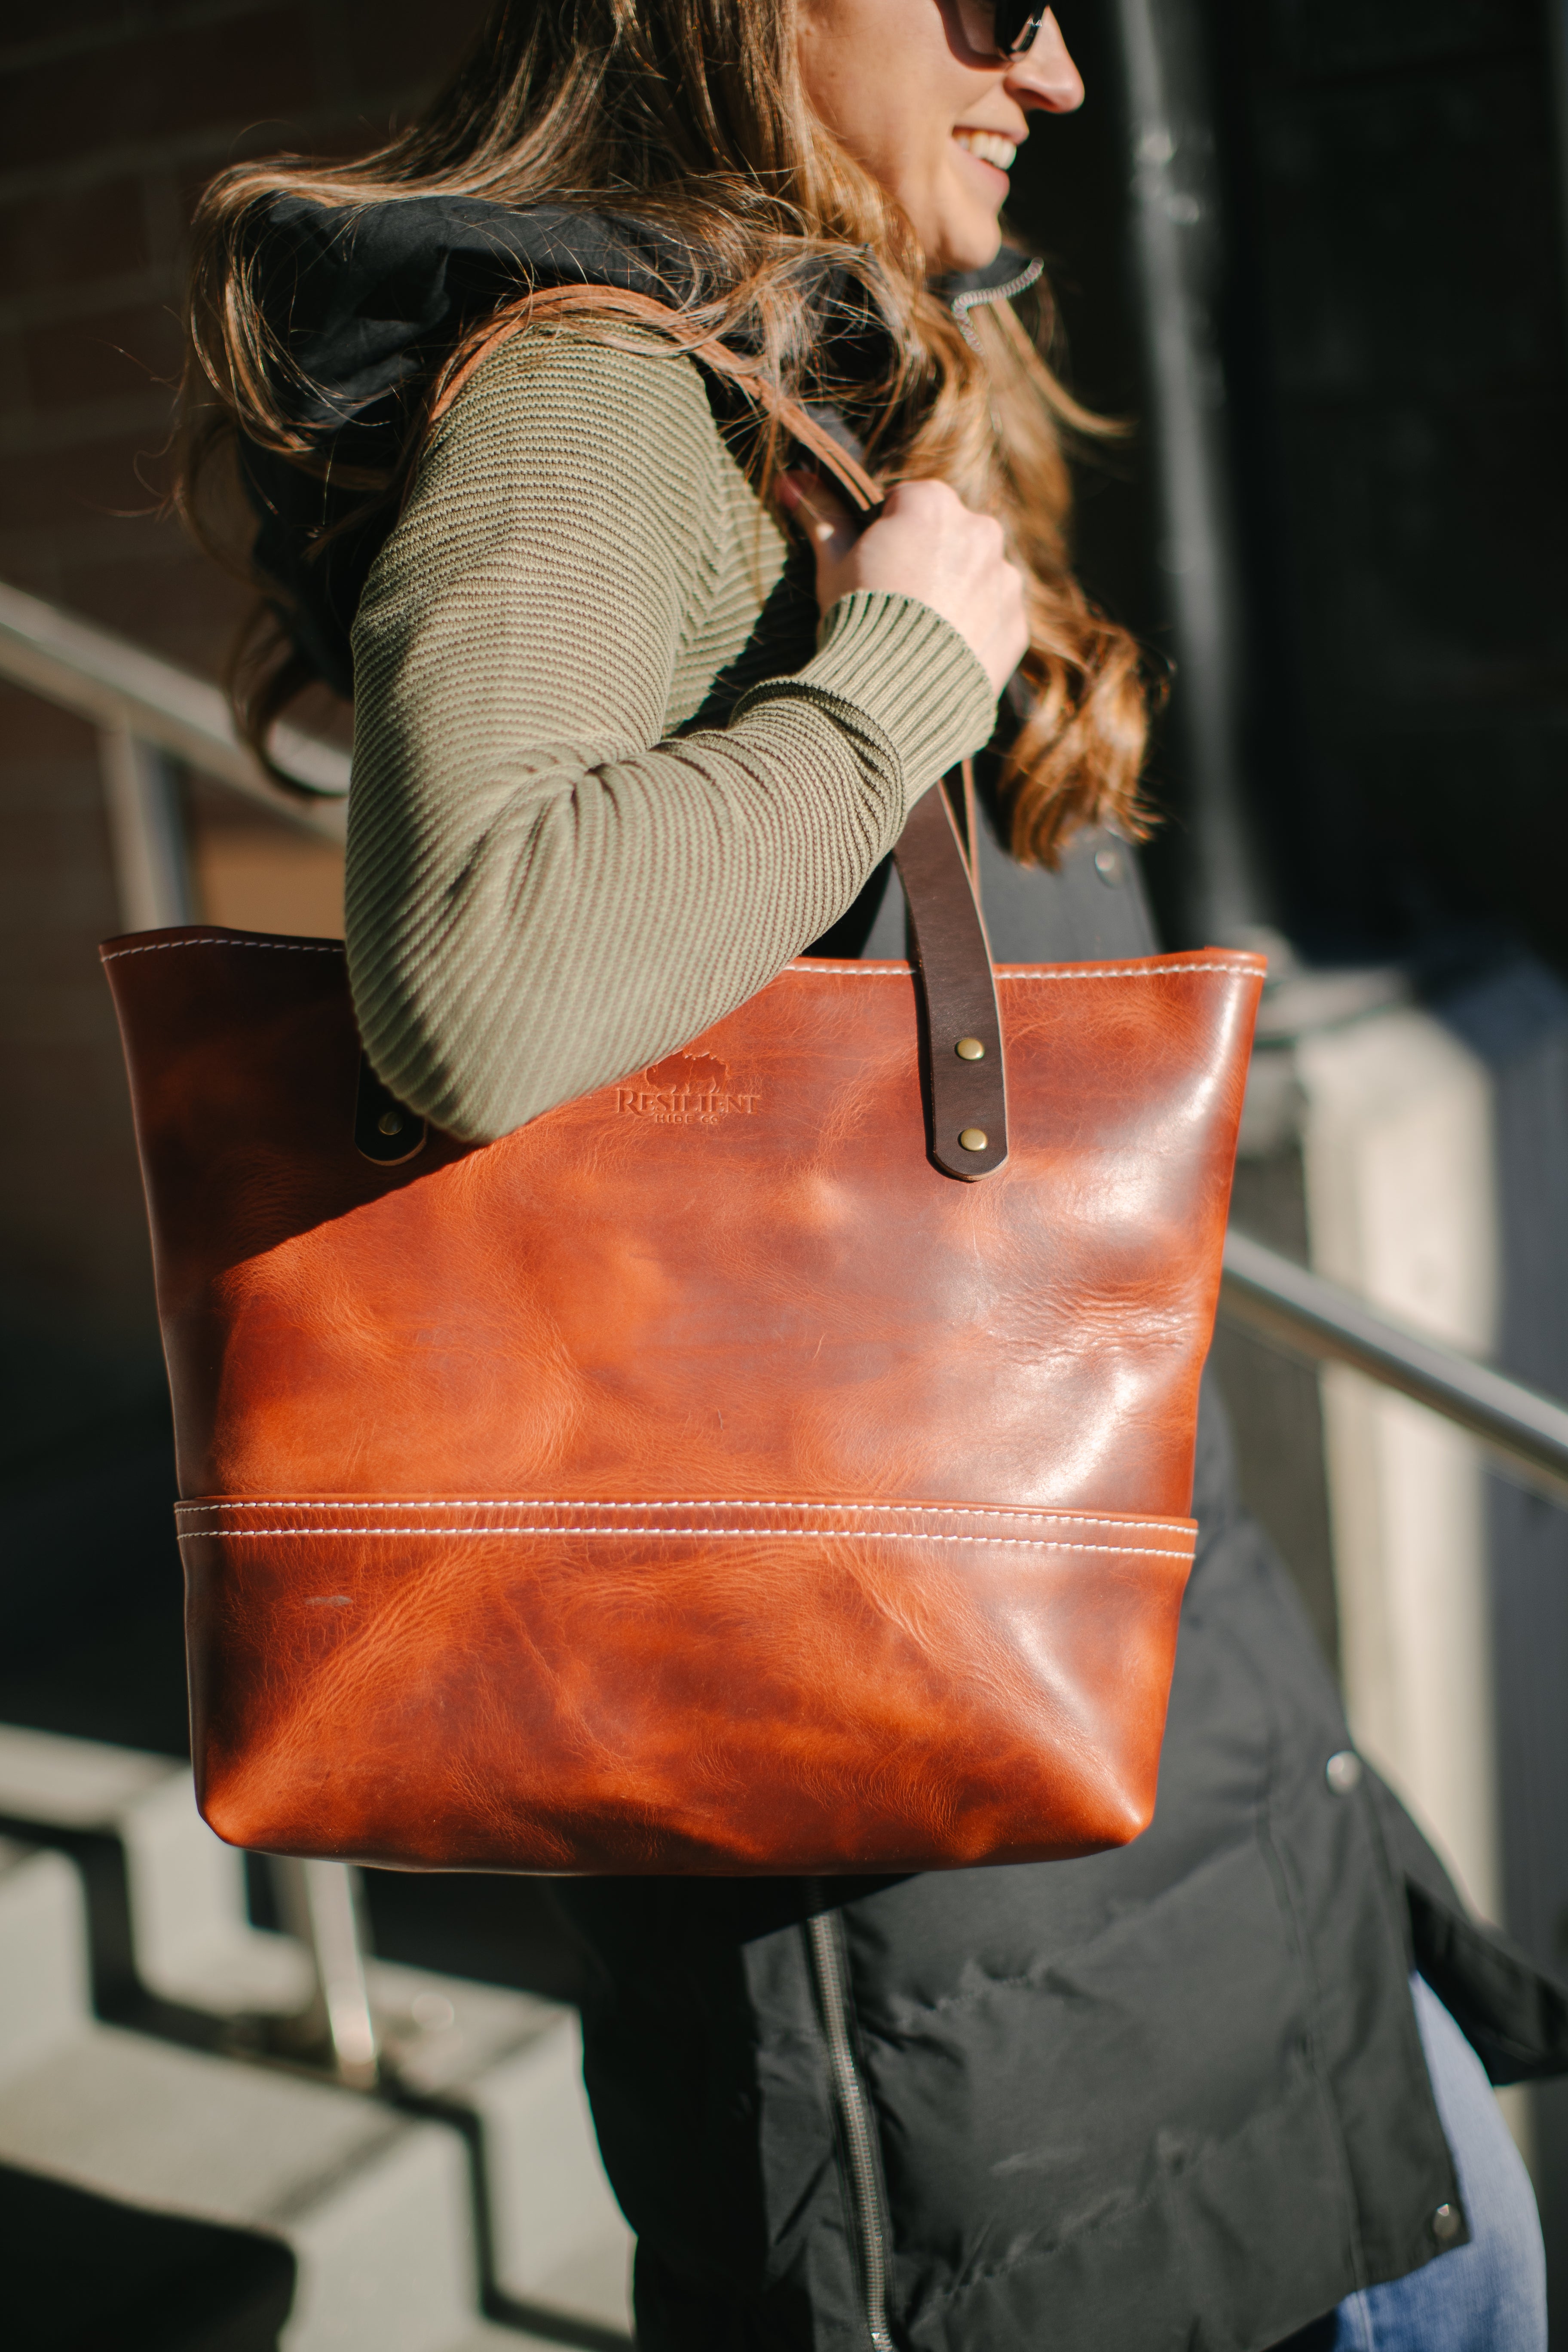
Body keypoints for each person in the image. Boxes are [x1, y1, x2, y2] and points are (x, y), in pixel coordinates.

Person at [178, 5, 1562, 2345]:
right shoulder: (595, 397)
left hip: (1189, 1888)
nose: (1061, 78)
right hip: (975, 2063)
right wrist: (901, 674)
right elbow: (476, 986)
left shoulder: (815, 402)